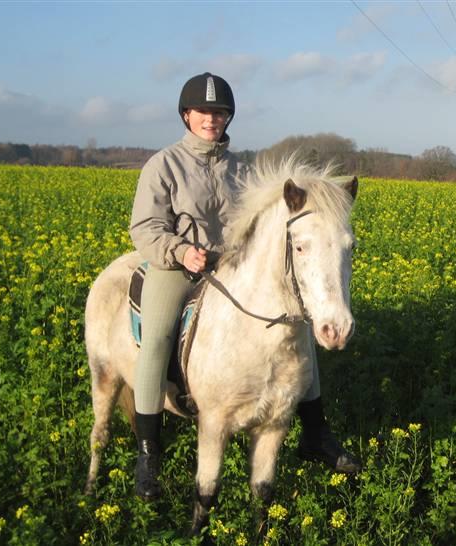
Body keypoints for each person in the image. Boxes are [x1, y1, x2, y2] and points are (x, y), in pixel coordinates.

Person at [128, 72, 360, 501]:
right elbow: (145, 228)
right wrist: (181, 252)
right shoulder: (163, 165)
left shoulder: (243, 168)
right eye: (203, 111)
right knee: (158, 334)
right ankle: (148, 452)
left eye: (219, 112)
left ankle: (316, 431)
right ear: (186, 115)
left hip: (233, 268)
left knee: (299, 327)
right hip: (178, 265)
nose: (211, 119)